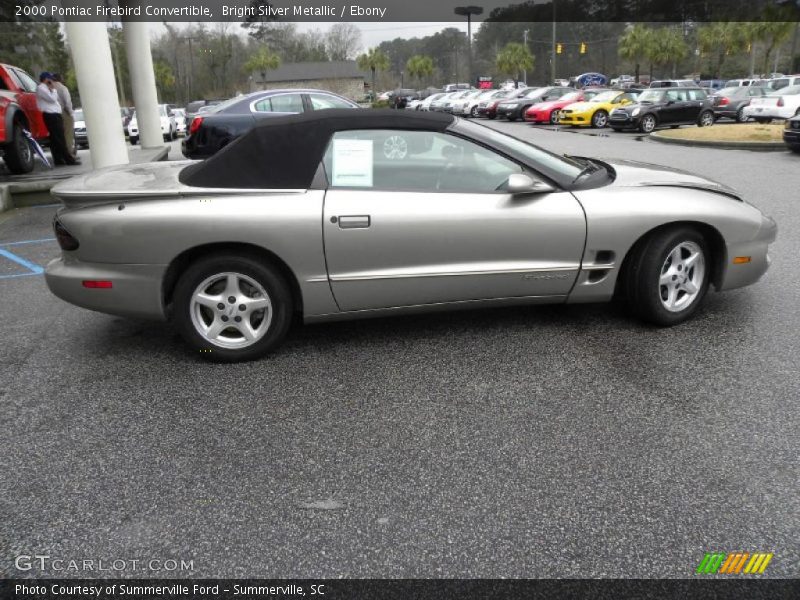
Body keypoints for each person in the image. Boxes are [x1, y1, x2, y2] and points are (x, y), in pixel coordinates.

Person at [36, 71, 79, 166]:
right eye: (50, 78)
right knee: (60, 138)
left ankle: (59, 159)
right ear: (46, 79)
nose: (52, 80)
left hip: (55, 114)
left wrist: (51, 89)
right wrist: (53, 89)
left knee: (55, 139)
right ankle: (69, 159)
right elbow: (52, 99)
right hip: (51, 115)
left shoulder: (46, 88)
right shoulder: (41, 88)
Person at [52, 73, 77, 159]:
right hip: (64, 112)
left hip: (54, 113)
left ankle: (59, 156)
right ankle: (69, 154)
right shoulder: (62, 88)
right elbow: (67, 102)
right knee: (68, 134)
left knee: (58, 135)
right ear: (60, 78)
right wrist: (70, 113)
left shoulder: (50, 87)